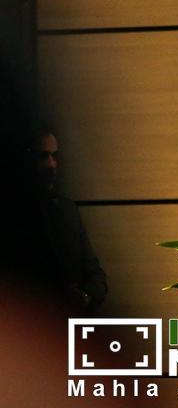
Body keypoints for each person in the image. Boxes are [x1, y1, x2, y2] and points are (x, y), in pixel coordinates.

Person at [33, 128, 108, 314]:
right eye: (43, 157)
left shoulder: (67, 210)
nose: (51, 165)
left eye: (54, 156)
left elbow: (97, 276)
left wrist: (84, 296)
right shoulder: (11, 215)